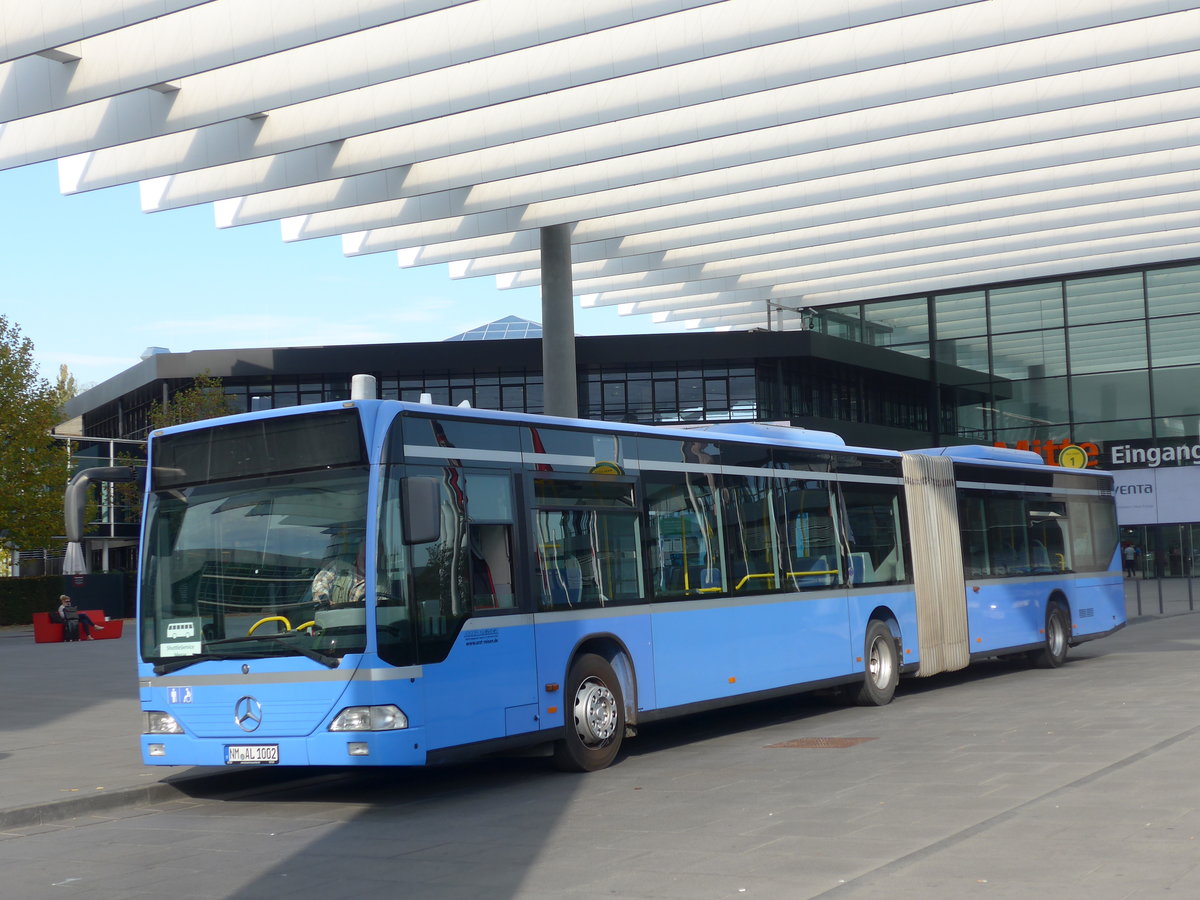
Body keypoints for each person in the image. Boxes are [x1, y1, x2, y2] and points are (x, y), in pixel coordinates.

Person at [312, 544, 367, 609]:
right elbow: (321, 580)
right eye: (364, 558)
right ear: (358, 554)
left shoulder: (380, 583)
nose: (366, 562)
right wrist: (325, 599)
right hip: (333, 616)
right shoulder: (339, 566)